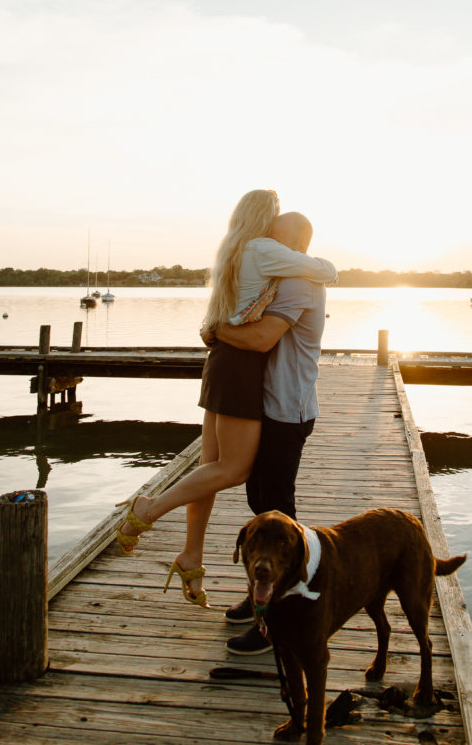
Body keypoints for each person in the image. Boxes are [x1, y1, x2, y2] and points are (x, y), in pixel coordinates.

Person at [116, 191, 335, 610]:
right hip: (240, 370)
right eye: (271, 225)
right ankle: (151, 511)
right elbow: (267, 328)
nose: (273, 235)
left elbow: (260, 333)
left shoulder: (240, 251)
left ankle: (194, 556)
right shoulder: (268, 253)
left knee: (219, 471)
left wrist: (215, 330)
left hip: (228, 366)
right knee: (232, 471)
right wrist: (218, 330)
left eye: (280, 232)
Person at [203, 210, 333, 654]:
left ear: (294, 244)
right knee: (261, 502)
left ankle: (276, 621)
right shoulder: (283, 277)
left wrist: (217, 329)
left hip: (288, 410)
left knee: (280, 518)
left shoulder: (298, 282)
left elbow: (260, 340)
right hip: (271, 407)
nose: (267, 245)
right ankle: (260, 597)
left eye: (275, 239)